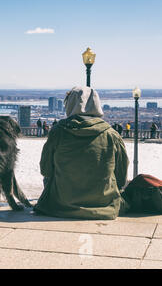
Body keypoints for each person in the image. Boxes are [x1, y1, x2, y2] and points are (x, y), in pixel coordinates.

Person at [35, 86, 129, 220]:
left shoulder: (58, 132)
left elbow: (46, 169)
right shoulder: (111, 135)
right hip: (105, 205)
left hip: (61, 204)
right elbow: (121, 175)